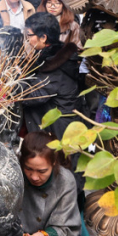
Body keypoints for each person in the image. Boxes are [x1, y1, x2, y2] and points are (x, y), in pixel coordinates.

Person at [16, 131, 81, 236]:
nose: (34, 177)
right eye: (28, 169)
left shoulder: (65, 181)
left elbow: (67, 225)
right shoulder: (14, 172)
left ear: (53, 163)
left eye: (42, 171)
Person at [21, 13, 81, 143]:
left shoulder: (55, 65)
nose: (27, 39)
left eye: (29, 35)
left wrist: (13, 81)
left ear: (43, 37)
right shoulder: (52, 56)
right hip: (56, 126)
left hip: (61, 131)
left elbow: (31, 95)